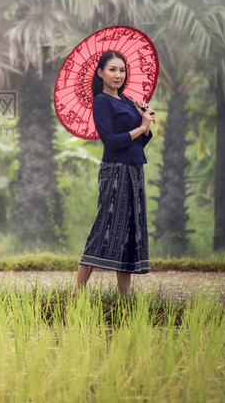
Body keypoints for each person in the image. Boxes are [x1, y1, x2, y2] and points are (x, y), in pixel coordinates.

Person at [73, 50, 155, 297]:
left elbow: (139, 142)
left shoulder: (129, 101)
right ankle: (77, 292)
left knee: (130, 228)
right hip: (115, 170)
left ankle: (125, 295)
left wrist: (146, 121)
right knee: (105, 225)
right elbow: (110, 140)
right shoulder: (101, 101)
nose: (118, 75)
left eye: (122, 70)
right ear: (100, 72)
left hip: (135, 169)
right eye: (112, 70)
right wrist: (140, 128)